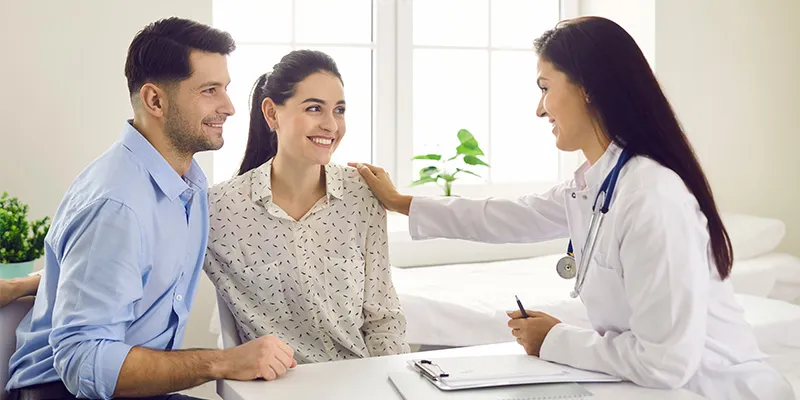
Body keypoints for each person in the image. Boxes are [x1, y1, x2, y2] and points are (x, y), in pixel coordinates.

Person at [349, 16, 794, 400]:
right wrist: (400, 203)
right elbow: (504, 215)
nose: (539, 109)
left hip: (714, 390)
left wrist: (555, 339)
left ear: (587, 89)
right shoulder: (597, 183)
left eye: (545, 88)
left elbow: (665, 364)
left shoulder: (653, 197)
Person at [4, 17, 296, 400]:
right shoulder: (118, 204)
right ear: (155, 100)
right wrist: (223, 362)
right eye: (209, 90)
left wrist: (39, 282)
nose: (228, 107)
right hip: (63, 391)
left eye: (225, 88)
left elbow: (108, 276)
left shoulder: (186, 181)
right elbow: (83, 362)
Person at [204, 49, 410, 365]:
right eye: (315, 108)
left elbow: (383, 318)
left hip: (361, 383)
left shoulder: (361, 194)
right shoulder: (218, 209)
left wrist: (394, 384)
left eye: (339, 110)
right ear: (272, 113)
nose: (331, 125)